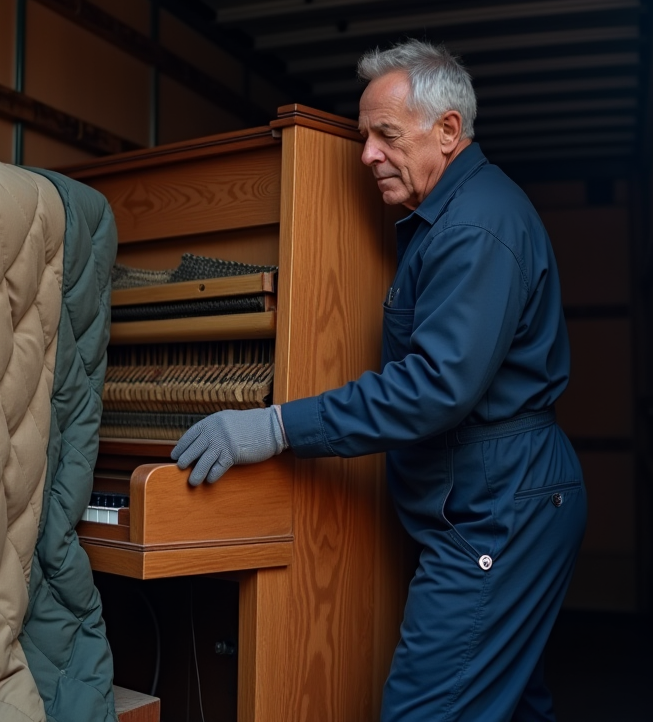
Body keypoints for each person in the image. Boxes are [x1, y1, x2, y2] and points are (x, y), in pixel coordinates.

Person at [170, 40, 587, 722]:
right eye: (365, 135)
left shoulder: (476, 226)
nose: (365, 154)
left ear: (447, 132)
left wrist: (274, 426)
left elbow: (432, 389)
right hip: (499, 499)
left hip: (498, 510)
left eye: (384, 135)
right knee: (508, 705)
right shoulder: (448, 216)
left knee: (424, 710)